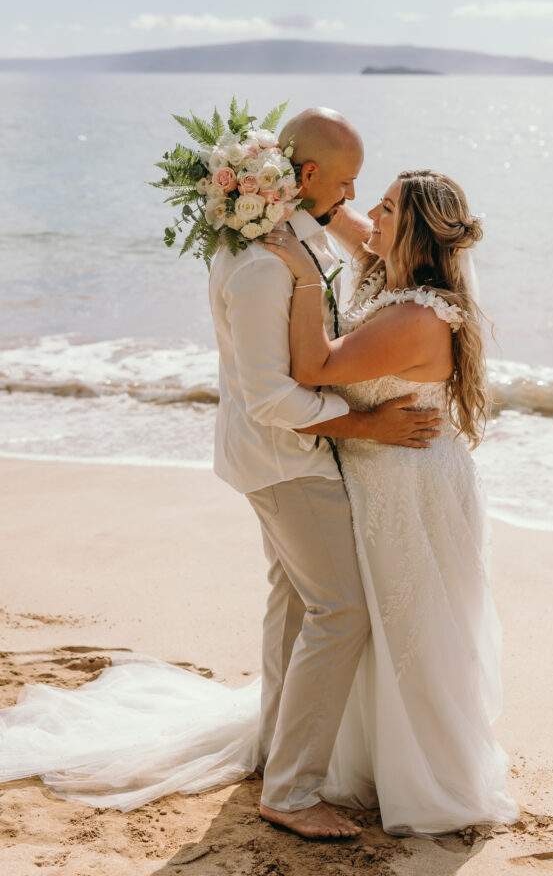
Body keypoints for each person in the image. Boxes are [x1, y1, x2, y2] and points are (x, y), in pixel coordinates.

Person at [0, 110, 446, 841]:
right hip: (286, 462)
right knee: (343, 613)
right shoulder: (270, 264)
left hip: (266, 457)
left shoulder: (277, 244)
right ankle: (293, 791)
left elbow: (354, 258)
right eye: (344, 181)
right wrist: (367, 424)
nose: (355, 195)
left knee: (297, 605)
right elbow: (274, 397)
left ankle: (277, 750)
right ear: (305, 178)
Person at [263, 169, 519, 833]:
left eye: (383, 206)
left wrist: (301, 278)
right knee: (368, 618)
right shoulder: (385, 273)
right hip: (380, 470)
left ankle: (414, 768)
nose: (365, 213)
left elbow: (314, 368)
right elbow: (327, 211)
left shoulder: (415, 316)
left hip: (407, 484)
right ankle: (349, 754)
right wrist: (261, 181)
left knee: (408, 626)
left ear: (411, 228)